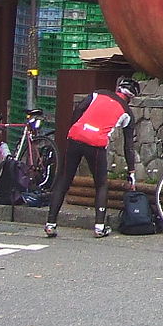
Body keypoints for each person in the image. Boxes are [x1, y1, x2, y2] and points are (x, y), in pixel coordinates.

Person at [44, 77, 140, 238]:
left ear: (118, 88)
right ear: (131, 97)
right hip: (96, 144)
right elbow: (128, 146)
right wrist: (131, 171)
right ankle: (99, 227)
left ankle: (50, 224)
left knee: (64, 179)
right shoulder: (127, 112)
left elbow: (79, 108)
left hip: (76, 136)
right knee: (101, 184)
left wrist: (75, 127)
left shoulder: (98, 93)